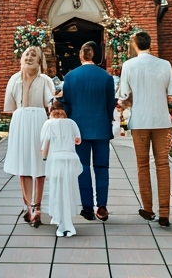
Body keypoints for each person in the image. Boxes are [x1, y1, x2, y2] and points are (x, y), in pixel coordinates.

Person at [116, 30, 172, 228]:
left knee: (143, 165)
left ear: (134, 44)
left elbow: (123, 97)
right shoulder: (165, 64)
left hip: (140, 121)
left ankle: (149, 209)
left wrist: (131, 103)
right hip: (161, 120)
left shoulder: (129, 65)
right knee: (163, 165)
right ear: (150, 43)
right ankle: (165, 213)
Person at [60, 41, 116, 221]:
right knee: (102, 167)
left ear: (81, 56)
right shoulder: (106, 77)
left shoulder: (70, 77)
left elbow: (66, 104)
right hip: (101, 127)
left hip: (78, 129)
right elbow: (110, 105)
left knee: (82, 167)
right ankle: (102, 206)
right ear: (96, 56)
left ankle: (87, 207)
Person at [3, 45, 54, 226]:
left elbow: (50, 102)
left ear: (40, 61)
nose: (29, 57)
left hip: (39, 121)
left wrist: (54, 107)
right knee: (23, 165)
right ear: (21, 58)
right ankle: (29, 207)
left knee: (40, 165)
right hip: (20, 122)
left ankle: (37, 206)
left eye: (34, 55)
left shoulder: (45, 80)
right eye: (27, 54)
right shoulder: (14, 79)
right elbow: (10, 106)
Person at [39, 98, 82, 238]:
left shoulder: (48, 124)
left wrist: (44, 159)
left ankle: (61, 224)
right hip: (70, 159)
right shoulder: (72, 123)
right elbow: (78, 141)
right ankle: (68, 224)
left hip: (55, 160)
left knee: (57, 191)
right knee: (68, 191)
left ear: (51, 111)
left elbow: (45, 146)